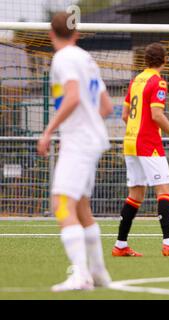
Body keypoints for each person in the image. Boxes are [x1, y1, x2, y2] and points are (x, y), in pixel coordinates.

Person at [37, 12, 113, 291]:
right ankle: (99, 272)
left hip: (79, 141)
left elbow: (72, 97)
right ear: (77, 33)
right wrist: (86, 124)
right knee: (81, 207)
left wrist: (48, 131)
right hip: (92, 139)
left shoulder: (64, 58)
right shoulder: (87, 59)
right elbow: (105, 107)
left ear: (50, 33)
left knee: (61, 205)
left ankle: (81, 275)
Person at [112, 42, 169, 257]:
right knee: (164, 191)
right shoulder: (158, 82)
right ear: (164, 61)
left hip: (130, 143)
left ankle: (120, 245)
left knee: (136, 194)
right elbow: (156, 115)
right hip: (148, 144)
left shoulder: (136, 81)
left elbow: (124, 115)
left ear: (145, 60)